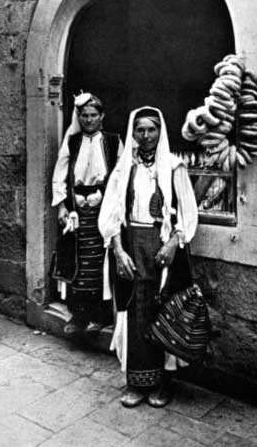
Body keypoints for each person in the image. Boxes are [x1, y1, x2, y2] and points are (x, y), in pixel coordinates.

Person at [99, 106, 198, 408]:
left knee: (164, 313)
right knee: (134, 313)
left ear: (160, 131)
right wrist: (117, 251)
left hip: (164, 247)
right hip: (131, 245)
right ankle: (136, 382)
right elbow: (113, 214)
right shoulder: (123, 168)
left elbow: (188, 212)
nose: (146, 135)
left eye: (151, 129)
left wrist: (173, 243)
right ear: (133, 133)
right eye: (140, 130)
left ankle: (163, 384)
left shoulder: (174, 166)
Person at [51, 92, 122, 335]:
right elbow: (60, 173)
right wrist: (62, 205)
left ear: (102, 116)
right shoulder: (72, 142)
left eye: (93, 115)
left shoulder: (113, 142)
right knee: (78, 262)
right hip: (76, 209)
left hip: (103, 207)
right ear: (78, 117)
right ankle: (78, 316)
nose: (89, 120)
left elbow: (120, 176)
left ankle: (99, 317)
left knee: (99, 264)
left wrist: (103, 195)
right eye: (84, 115)